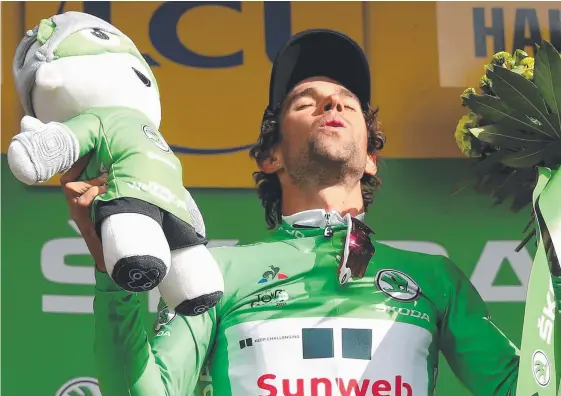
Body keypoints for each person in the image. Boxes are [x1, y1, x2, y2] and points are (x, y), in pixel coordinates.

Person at [61, 29, 561, 396]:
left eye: (348, 102)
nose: (332, 104)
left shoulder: (434, 278)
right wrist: (114, 276)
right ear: (269, 156)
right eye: (307, 101)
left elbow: (530, 389)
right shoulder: (218, 273)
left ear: (370, 157)